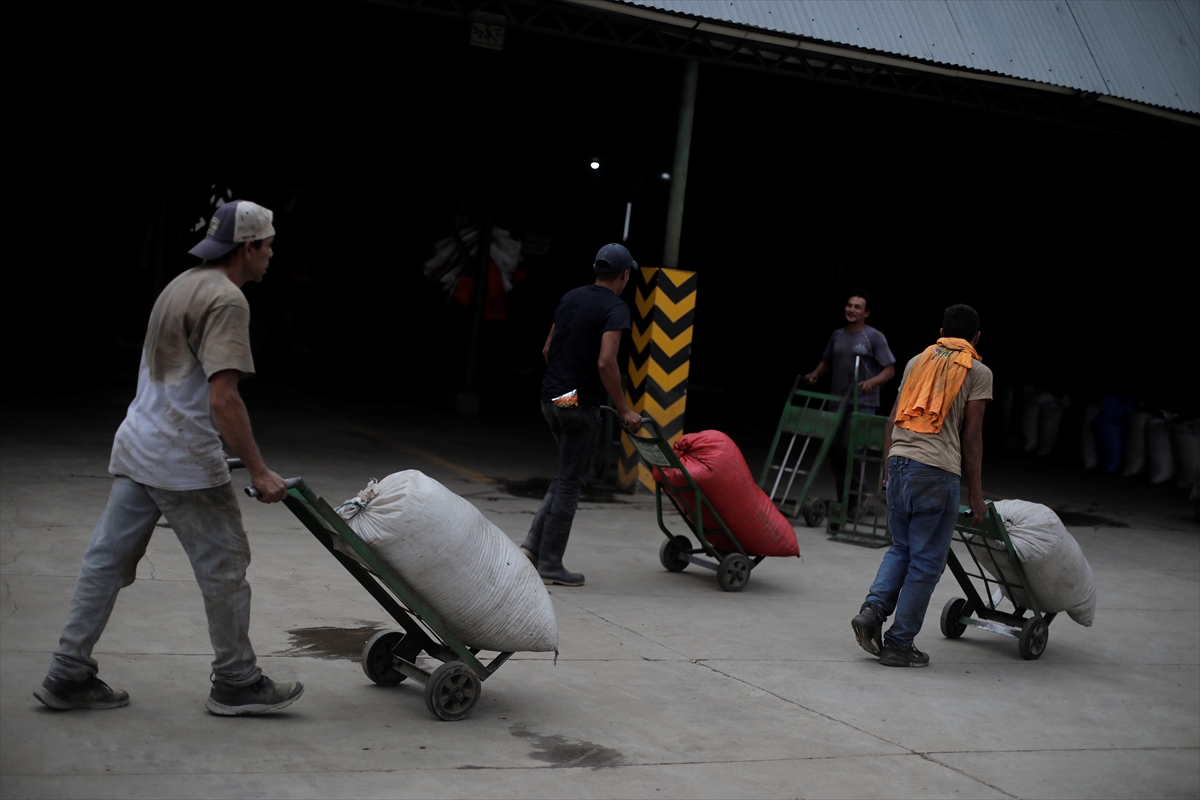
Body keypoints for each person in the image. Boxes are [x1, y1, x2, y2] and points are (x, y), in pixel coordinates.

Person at [34, 200, 303, 715]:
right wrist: (260, 469)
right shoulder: (228, 300)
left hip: (140, 442)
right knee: (225, 567)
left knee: (105, 562)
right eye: (268, 246)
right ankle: (237, 682)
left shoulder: (182, 283)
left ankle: (67, 671)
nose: (271, 256)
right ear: (248, 247)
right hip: (182, 460)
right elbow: (223, 398)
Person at [851, 304, 993, 667]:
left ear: (941, 331)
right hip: (936, 470)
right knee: (927, 562)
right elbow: (972, 436)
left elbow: (893, 418)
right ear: (976, 338)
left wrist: (888, 470)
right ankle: (899, 644)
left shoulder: (917, 360)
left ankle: (872, 611)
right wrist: (976, 496)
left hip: (899, 462)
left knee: (901, 548)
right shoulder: (978, 371)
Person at [520, 243, 643, 586]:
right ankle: (551, 564)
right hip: (578, 401)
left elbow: (548, 349)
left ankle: (532, 546)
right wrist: (624, 409)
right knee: (571, 482)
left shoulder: (571, 297)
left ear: (595, 269)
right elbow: (606, 361)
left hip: (554, 396)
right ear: (624, 275)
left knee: (566, 473)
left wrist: (565, 385)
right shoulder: (616, 308)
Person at [804, 293, 896, 506]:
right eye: (849, 305)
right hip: (838, 401)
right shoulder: (837, 335)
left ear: (866, 313)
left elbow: (889, 370)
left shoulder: (873, 337)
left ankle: (858, 497)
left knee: (851, 449)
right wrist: (816, 374)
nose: (852, 310)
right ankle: (845, 498)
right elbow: (827, 361)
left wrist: (872, 382)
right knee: (834, 449)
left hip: (862, 403)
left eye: (857, 307)